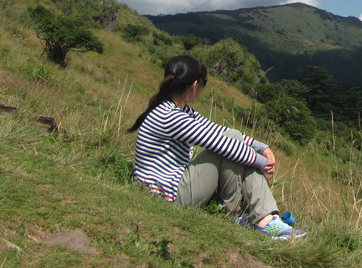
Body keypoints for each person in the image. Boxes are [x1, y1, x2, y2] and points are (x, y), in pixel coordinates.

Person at [129, 55, 304, 239]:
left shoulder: (176, 110)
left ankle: (259, 217)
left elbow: (218, 130)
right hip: (169, 195)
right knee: (230, 147)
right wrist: (263, 164)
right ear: (194, 85)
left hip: (172, 187)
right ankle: (253, 218)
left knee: (233, 137)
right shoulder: (171, 117)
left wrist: (261, 147)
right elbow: (222, 144)